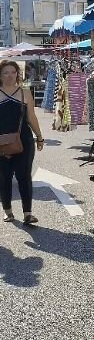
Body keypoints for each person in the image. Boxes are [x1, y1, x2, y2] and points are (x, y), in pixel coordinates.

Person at [0, 59, 45, 224]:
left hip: (24, 140)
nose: (10, 76)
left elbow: (31, 117)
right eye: (6, 72)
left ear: (18, 74)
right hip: (1, 142)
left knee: (24, 176)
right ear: (0, 75)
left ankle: (27, 213)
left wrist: (39, 136)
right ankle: (8, 212)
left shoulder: (25, 92)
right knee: (4, 177)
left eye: (13, 72)